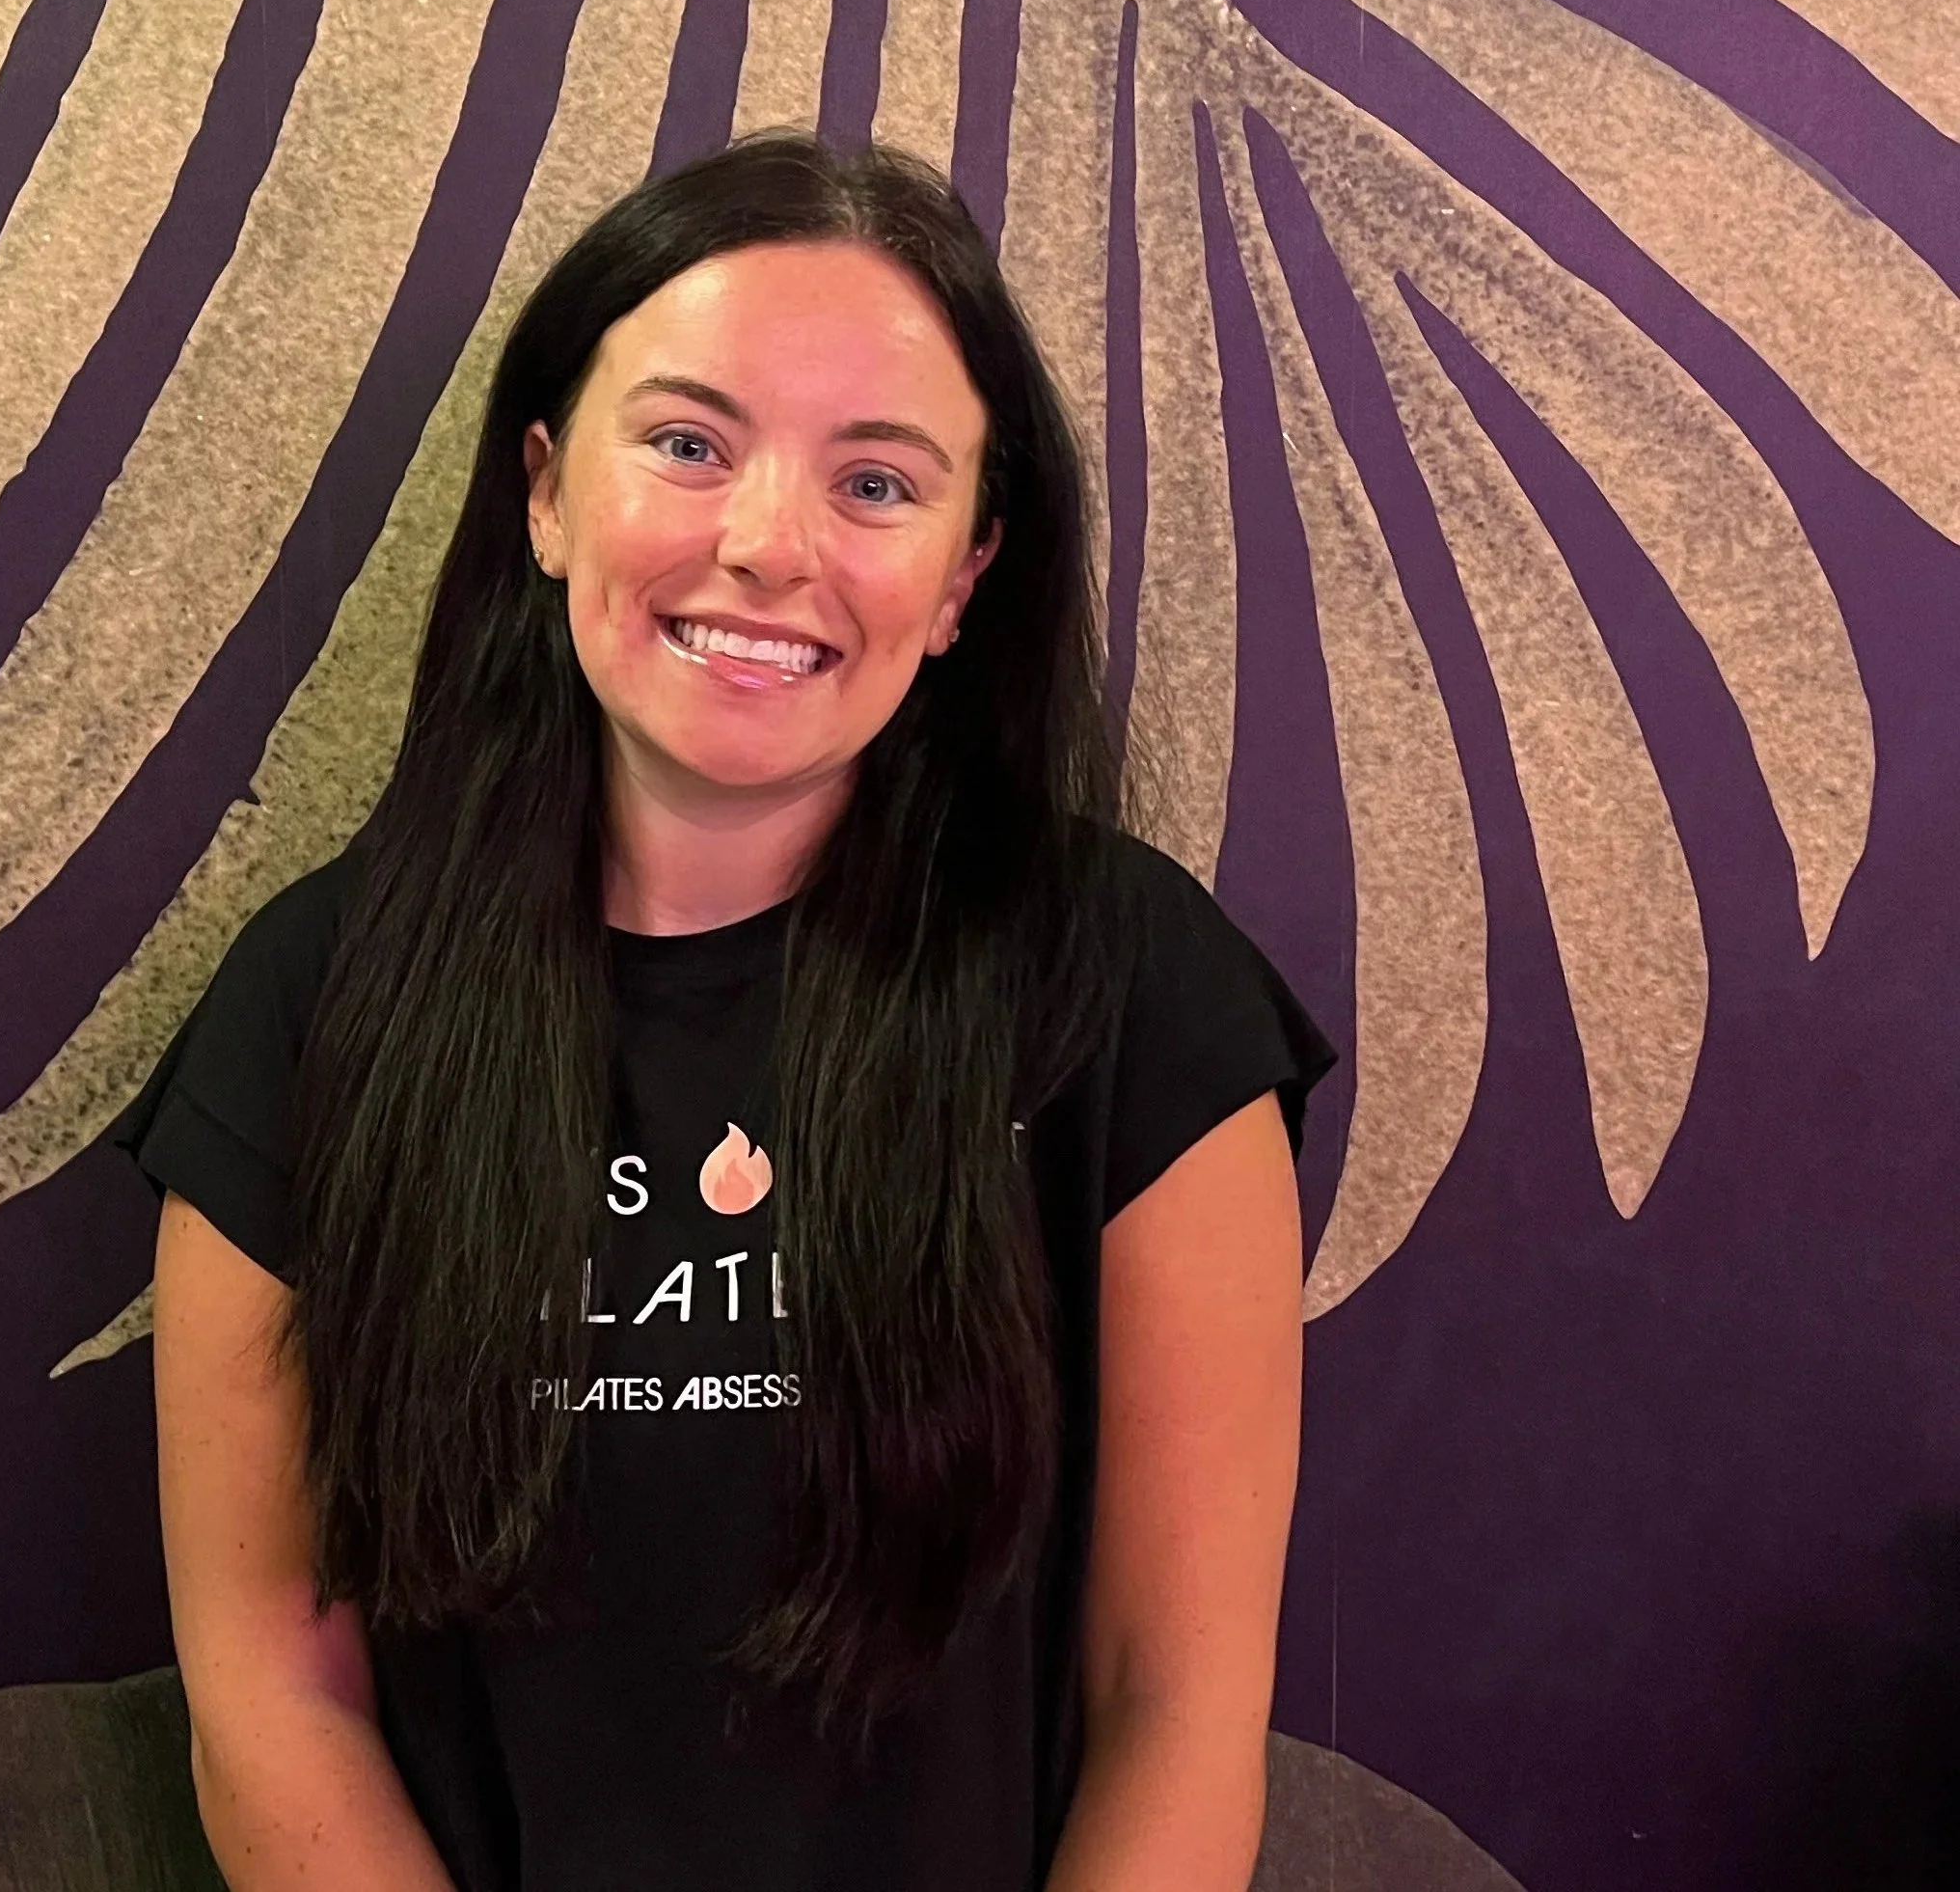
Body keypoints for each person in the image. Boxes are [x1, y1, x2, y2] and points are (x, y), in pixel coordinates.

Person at [115, 131, 1334, 1892]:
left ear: (968, 573)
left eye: (878, 485)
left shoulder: (1135, 997)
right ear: (544, 493)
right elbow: (273, 1694)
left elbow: (1177, 1705)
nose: (769, 548)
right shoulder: (308, 1014)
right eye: (688, 445)